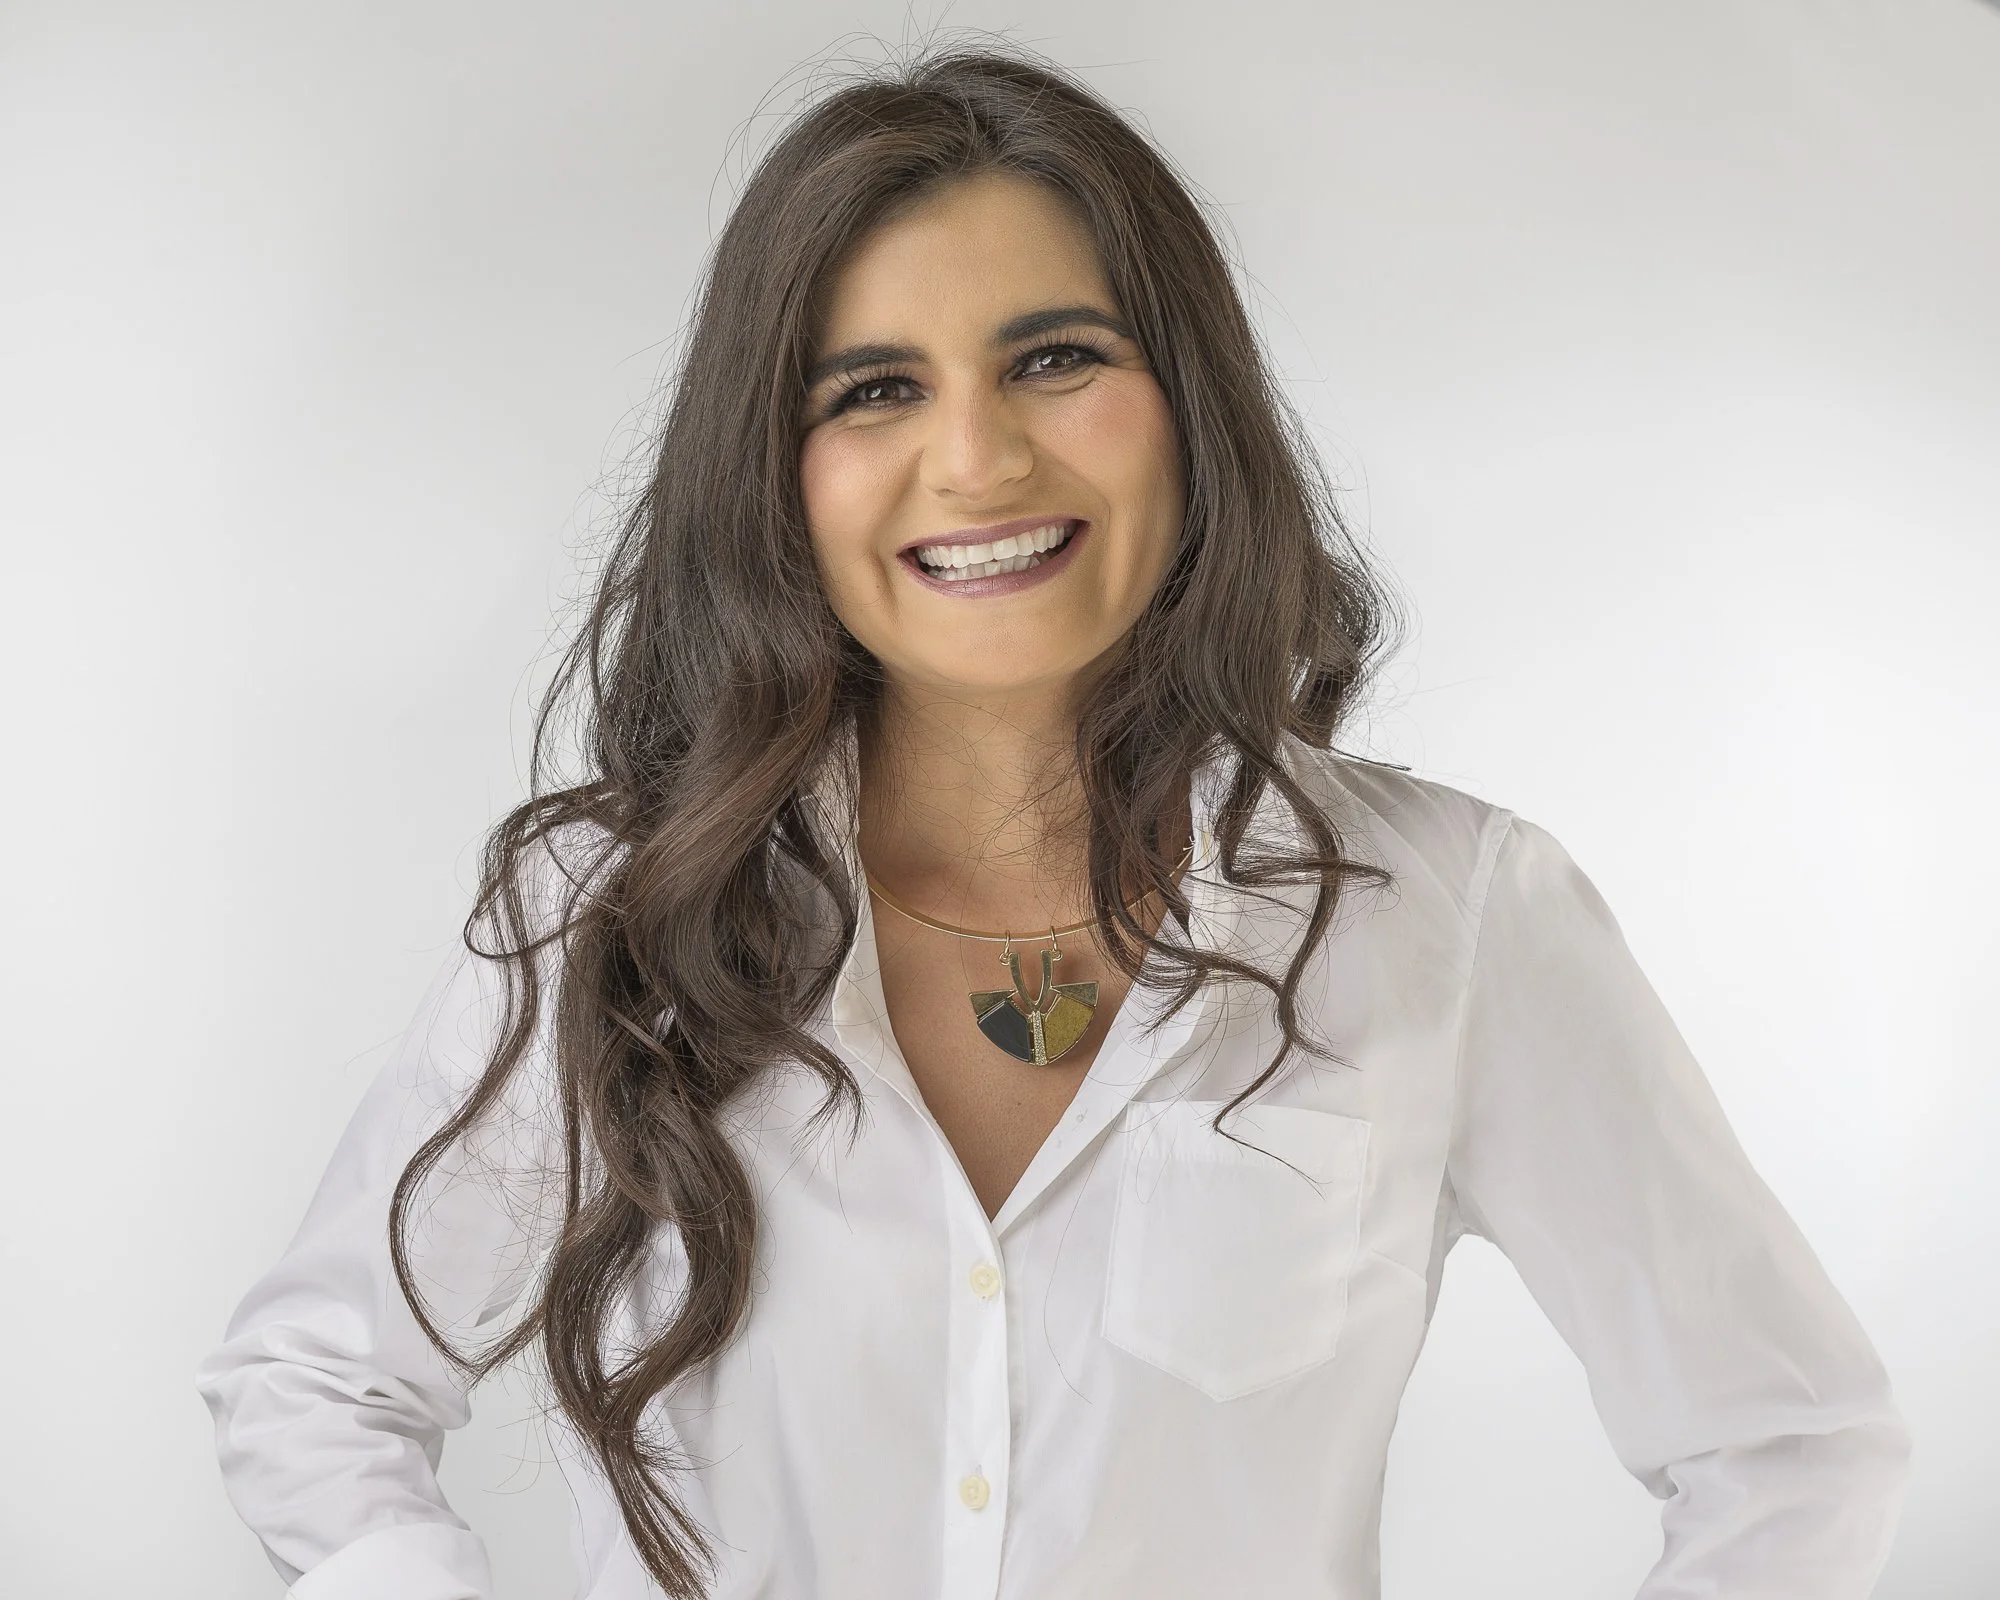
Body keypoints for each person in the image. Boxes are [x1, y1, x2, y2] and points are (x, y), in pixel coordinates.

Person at [194, 41, 1911, 1600]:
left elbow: (1788, 1449)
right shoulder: (607, 917)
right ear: (774, 473)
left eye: (1056, 359)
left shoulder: (1451, 912)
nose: (977, 460)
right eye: (873, 391)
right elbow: (317, 1384)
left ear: (1187, 405)